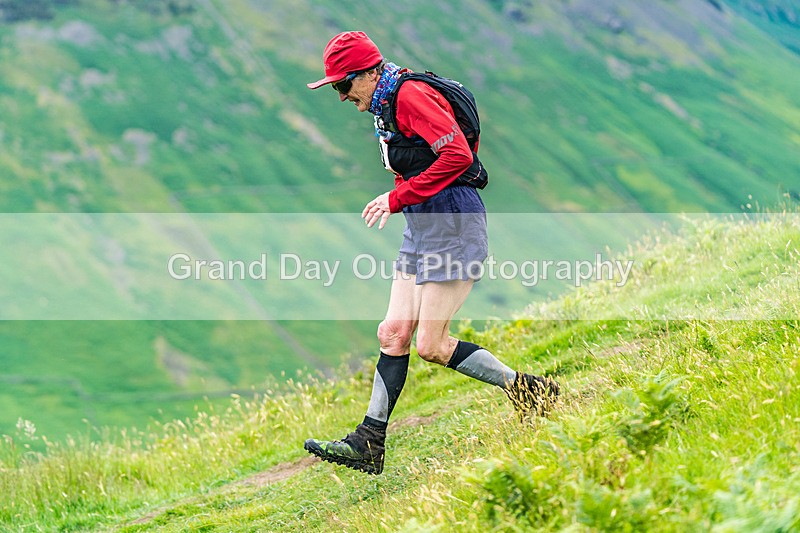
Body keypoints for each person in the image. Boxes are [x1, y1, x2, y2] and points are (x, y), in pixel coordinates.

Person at [303, 31, 559, 475]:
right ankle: (369, 442)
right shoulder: (384, 105)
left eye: (343, 85)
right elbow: (422, 161)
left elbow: (456, 155)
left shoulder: (409, 95)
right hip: (422, 225)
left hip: (453, 222)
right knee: (393, 332)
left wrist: (396, 198)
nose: (341, 95)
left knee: (432, 345)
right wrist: (404, 198)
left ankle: (530, 390)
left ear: (367, 73)